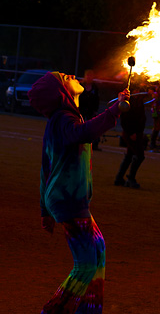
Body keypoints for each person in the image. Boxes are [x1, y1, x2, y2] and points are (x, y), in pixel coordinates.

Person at [28, 71, 129, 314]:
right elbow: (82, 133)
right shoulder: (63, 119)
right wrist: (114, 111)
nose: (71, 74)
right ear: (60, 92)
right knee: (85, 265)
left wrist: (44, 210)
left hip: (67, 199)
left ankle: (89, 310)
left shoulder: (63, 119)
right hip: (68, 200)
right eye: (64, 76)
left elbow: (46, 167)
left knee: (98, 251)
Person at [114, 85, 147, 189]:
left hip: (137, 133)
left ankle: (119, 178)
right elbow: (125, 119)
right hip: (132, 133)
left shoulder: (139, 100)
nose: (138, 91)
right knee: (139, 155)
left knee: (129, 156)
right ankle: (130, 178)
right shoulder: (129, 102)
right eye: (136, 89)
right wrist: (131, 132)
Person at [79, 69, 100, 150]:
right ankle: (79, 142)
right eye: (87, 75)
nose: (89, 77)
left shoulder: (95, 87)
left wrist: (95, 110)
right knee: (81, 126)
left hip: (91, 110)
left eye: (90, 75)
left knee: (93, 127)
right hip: (81, 110)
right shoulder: (81, 85)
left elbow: (97, 99)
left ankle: (94, 144)